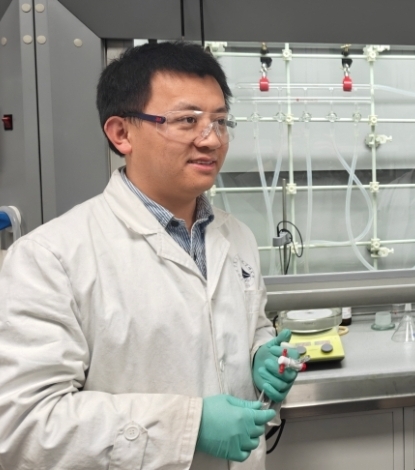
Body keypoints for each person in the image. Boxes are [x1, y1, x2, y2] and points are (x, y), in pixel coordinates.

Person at [0, 42, 298, 469]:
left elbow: (247, 329)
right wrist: (188, 426)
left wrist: (259, 358)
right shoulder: (50, 258)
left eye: (220, 121)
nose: (211, 139)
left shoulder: (237, 236)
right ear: (121, 133)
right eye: (187, 120)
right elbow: (24, 425)